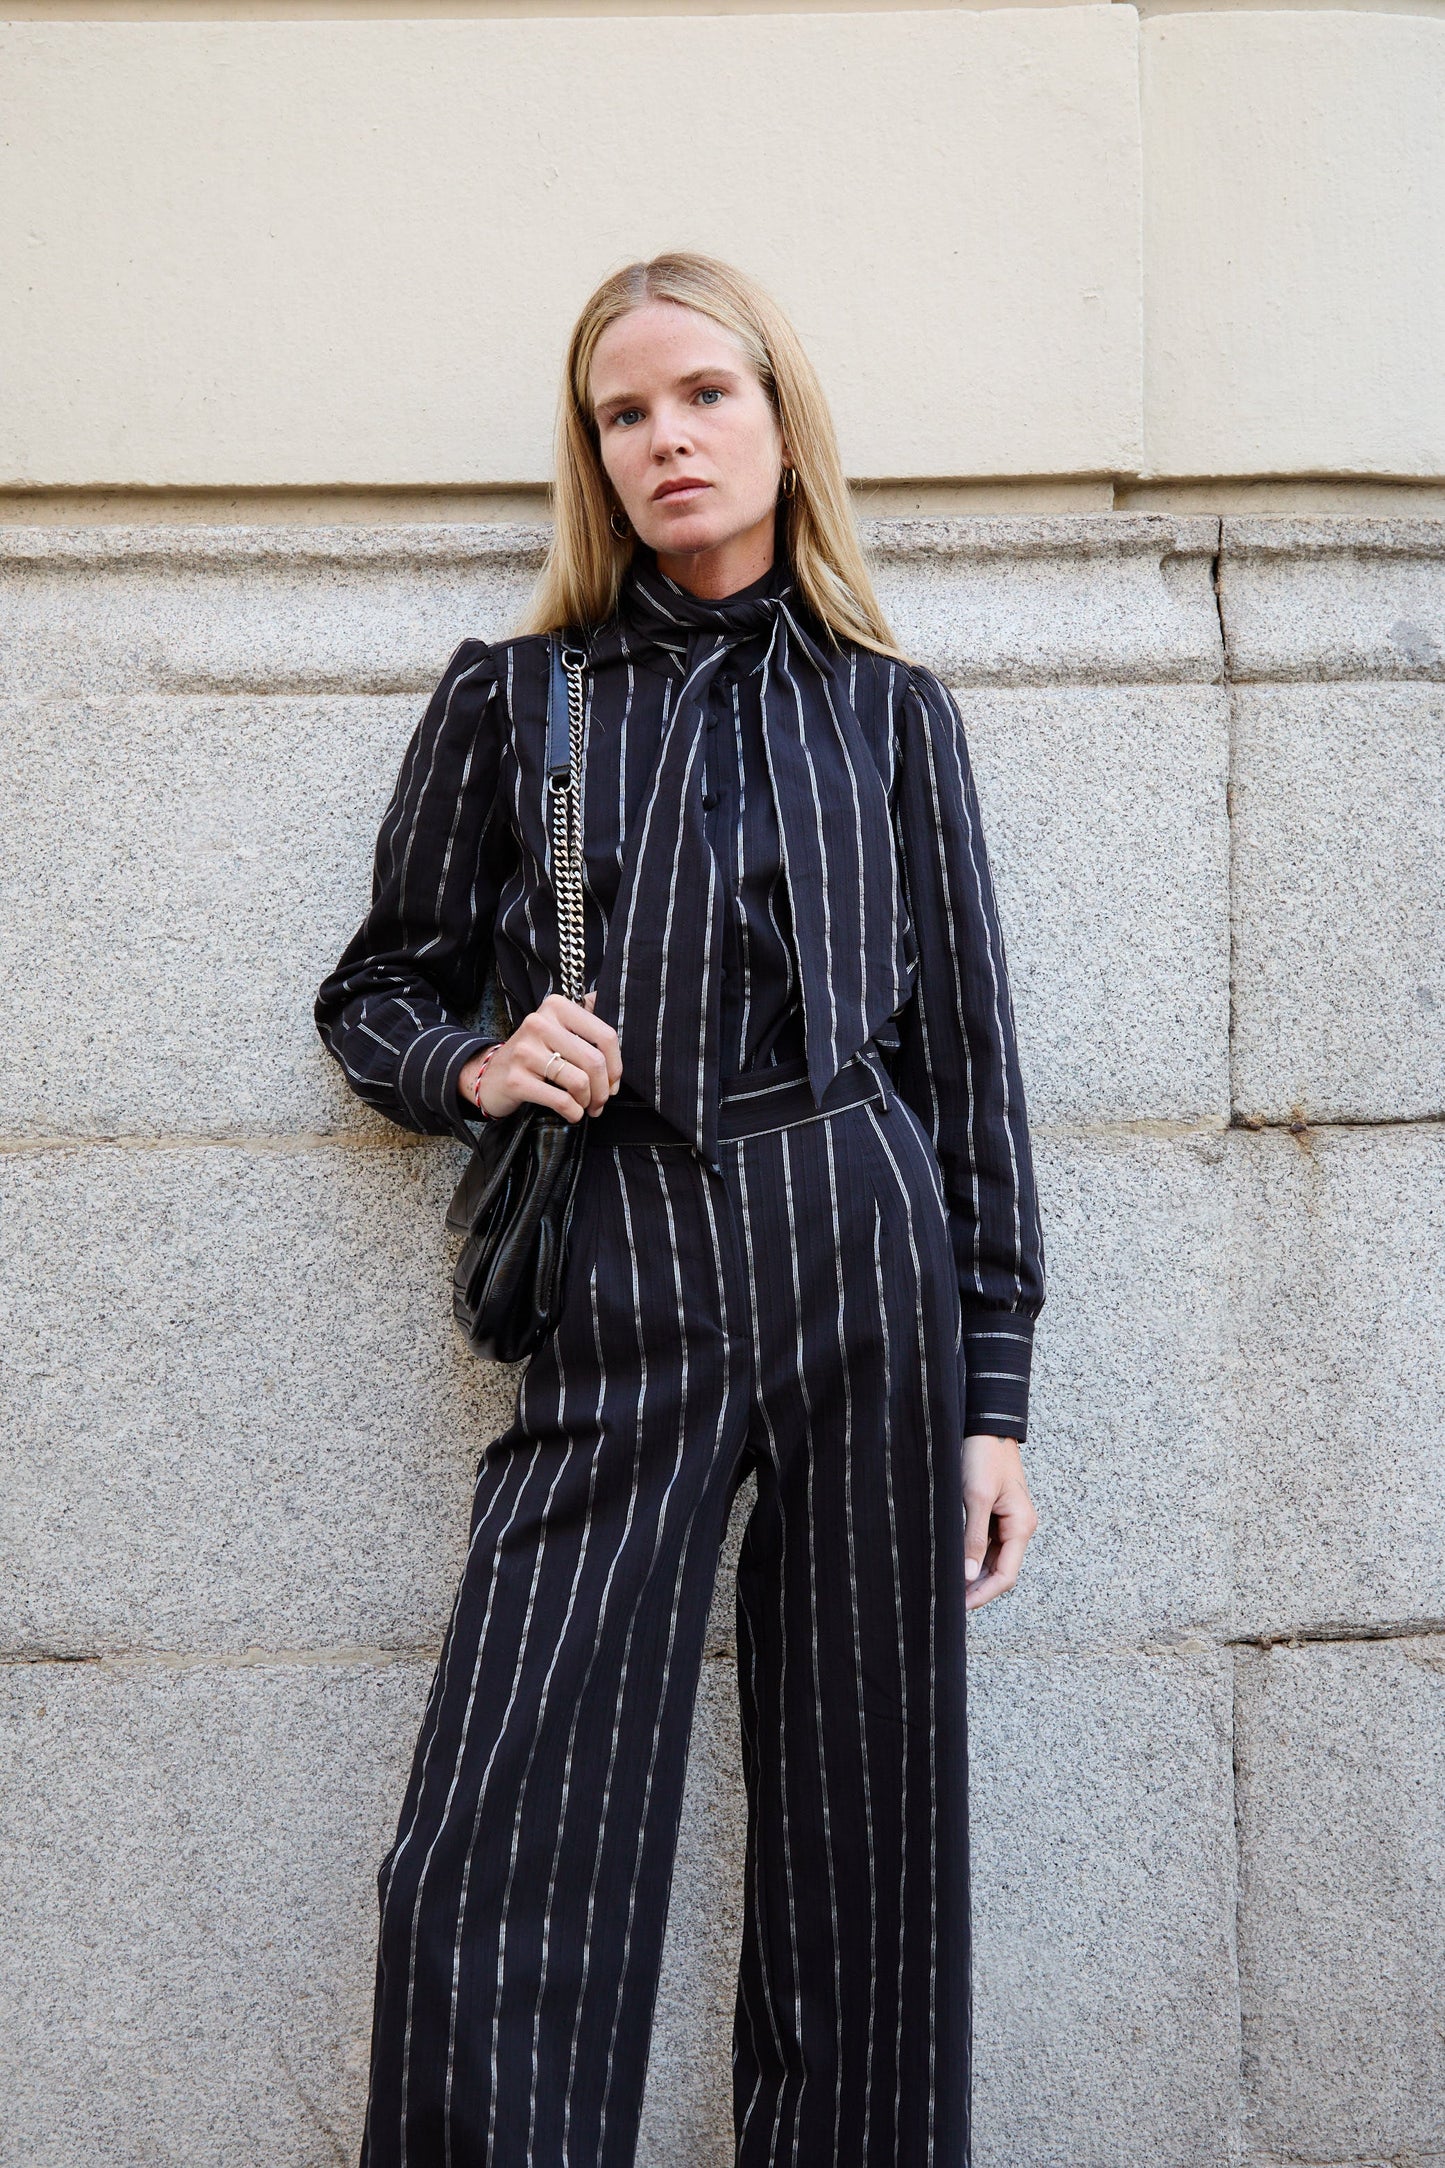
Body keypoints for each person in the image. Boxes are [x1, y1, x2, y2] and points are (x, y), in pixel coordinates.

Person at [315, 250, 1046, 2168]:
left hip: (861, 1245)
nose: (666, 440)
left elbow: (966, 1068)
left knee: (866, 1841)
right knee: (499, 1827)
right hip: (622, 1261)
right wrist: (475, 1067)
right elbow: (372, 988)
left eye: (703, 395)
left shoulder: (892, 717)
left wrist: (995, 1398)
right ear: (595, 458)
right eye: (624, 414)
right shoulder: (520, 699)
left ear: (780, 417)